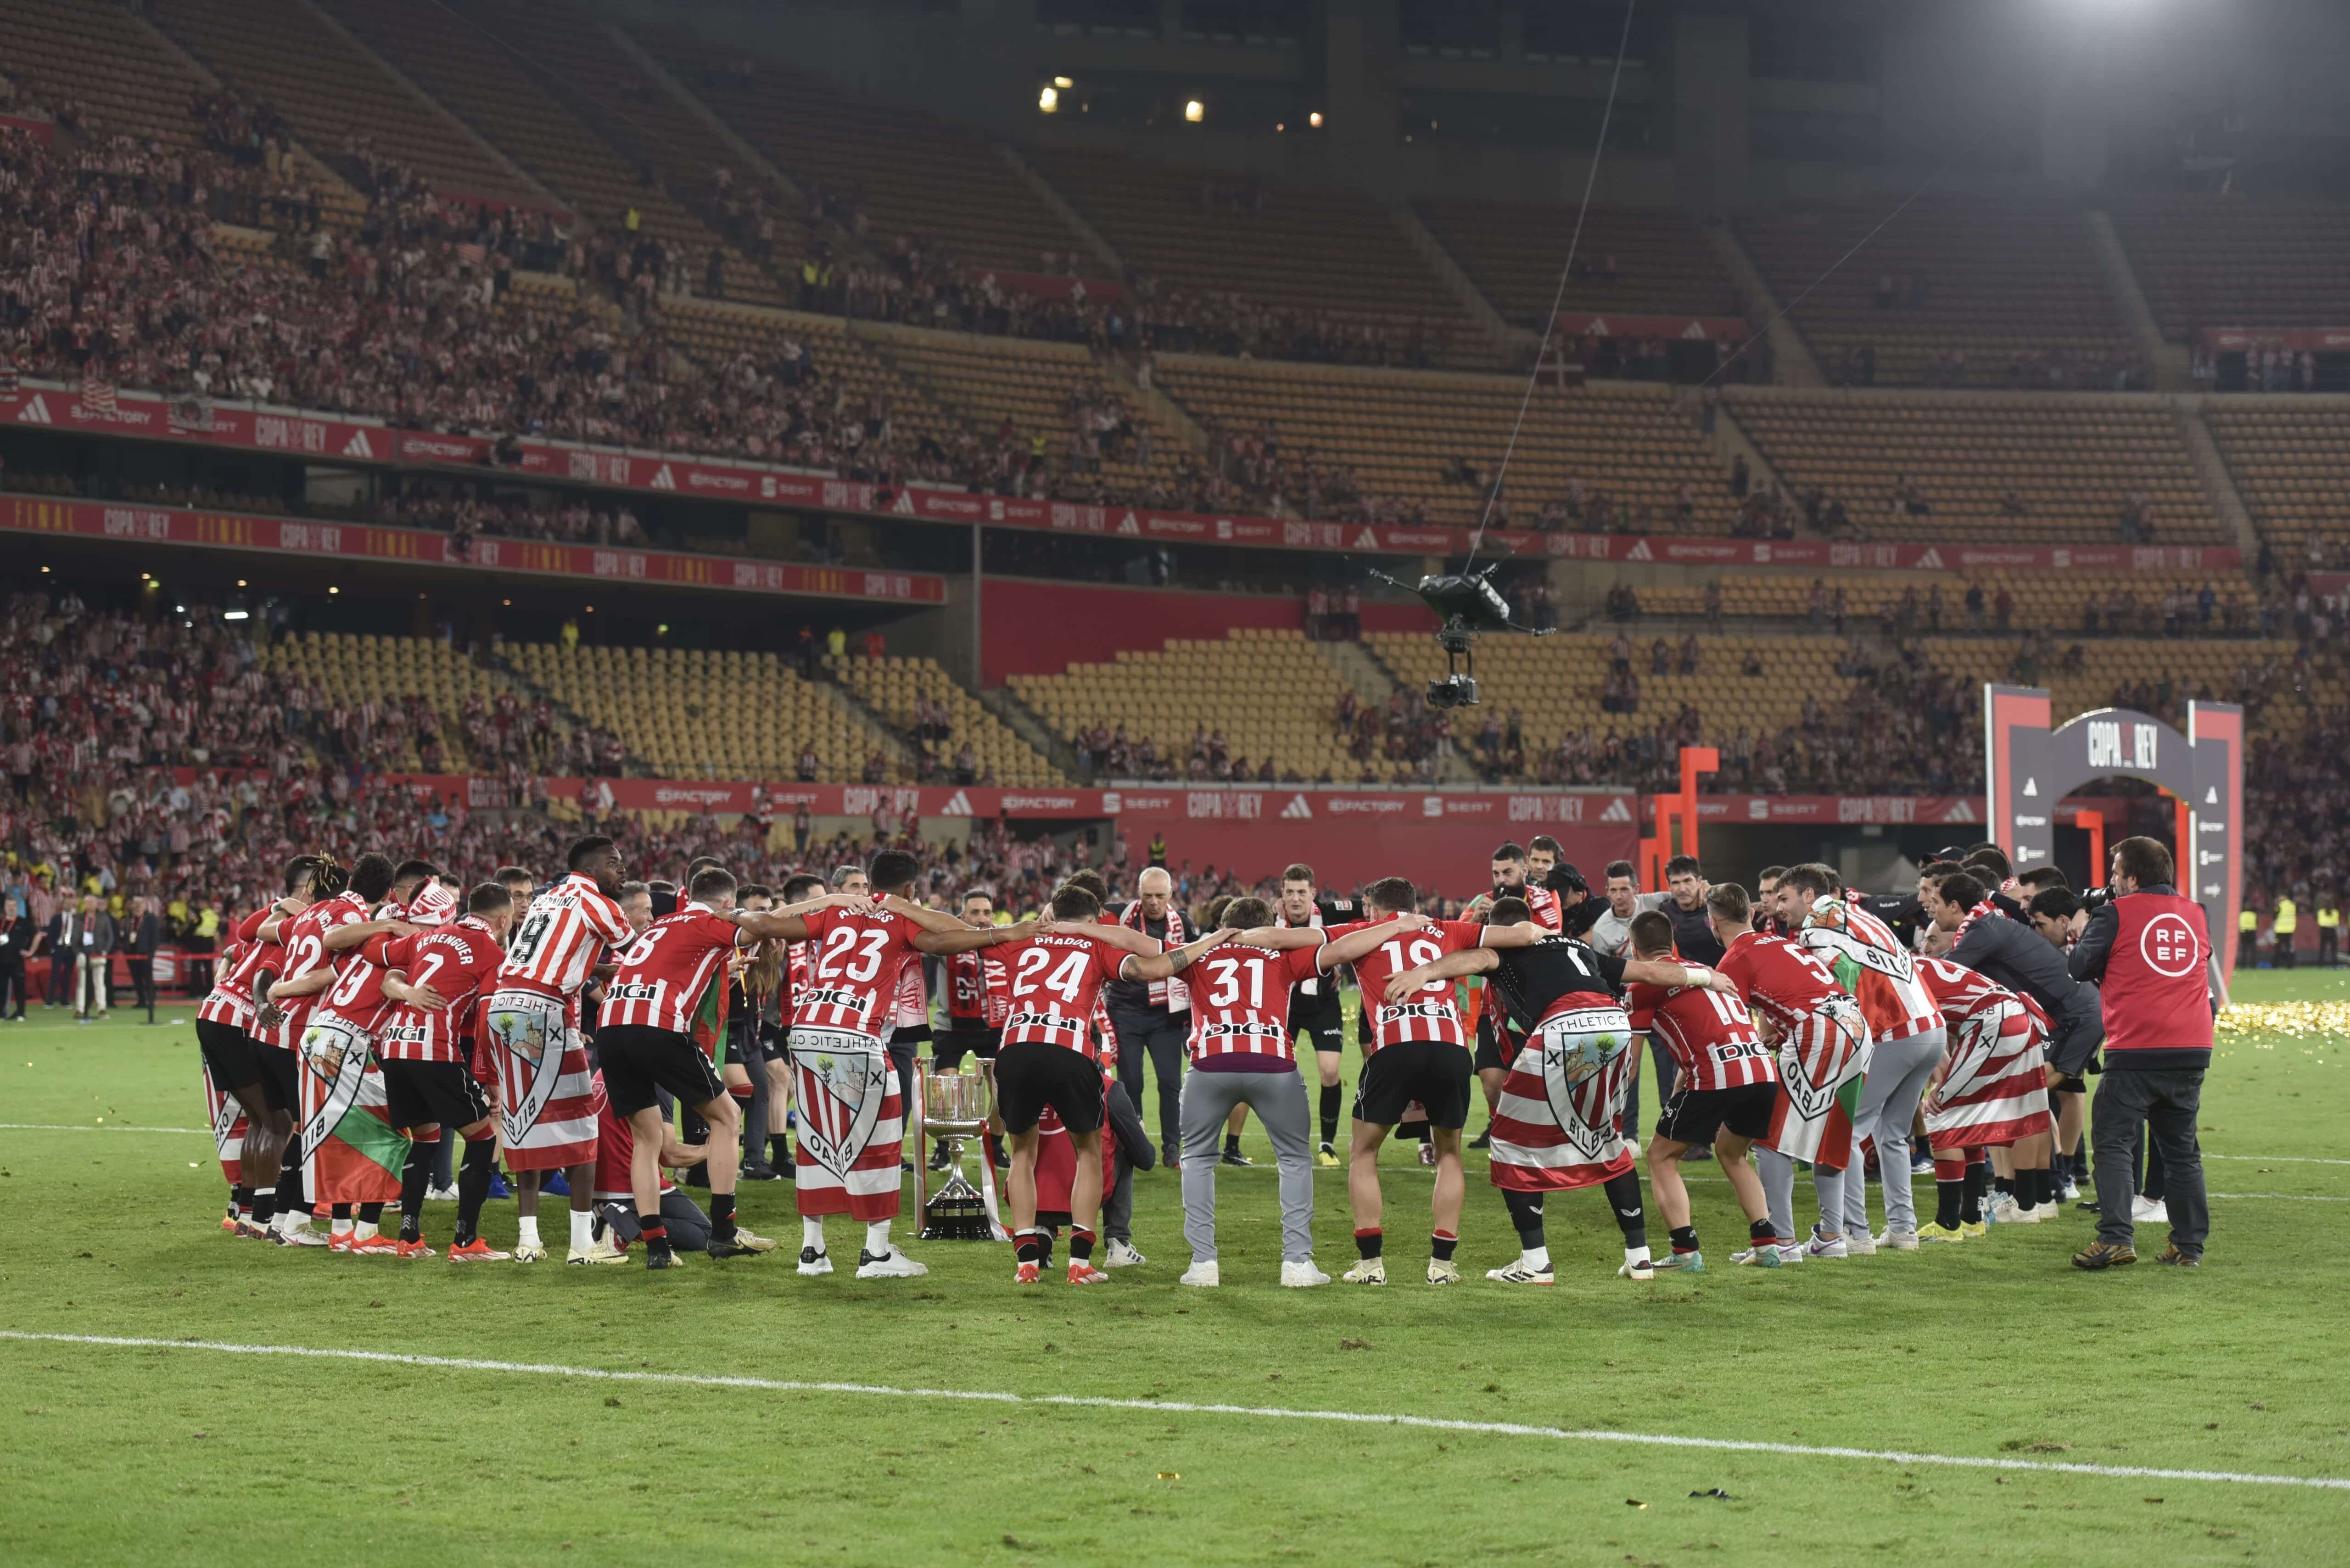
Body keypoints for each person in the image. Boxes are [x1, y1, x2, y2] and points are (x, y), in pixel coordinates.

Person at [1388, 898, 1730, 1283]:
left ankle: (1535, 1262)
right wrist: (1705, 977)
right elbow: (1649, 971)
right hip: (1612, 1025)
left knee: (1507, 1139)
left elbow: (1474, 960)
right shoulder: (1577, 946)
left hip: (1564, 1026)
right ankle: (1640, 1258)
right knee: (1608, 1139)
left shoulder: (1507, 946)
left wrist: (1425, 972)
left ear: (1498, 928)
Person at [1252, 877, 1538, 1286]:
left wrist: (1232, 936)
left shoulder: (1363, 932)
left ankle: (1371, 1265)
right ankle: (1442, 1265)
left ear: (1374, 908)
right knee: (1450, 1154)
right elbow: (1524, 933)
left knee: (1364, 1151)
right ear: (1413, 904)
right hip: (1451, 1047)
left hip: (1395, 1047)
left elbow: (1281, 936)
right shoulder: (1447, 928)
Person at [600, 868, 854, 1268]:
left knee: (646, 1140)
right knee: (728, 1115)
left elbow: (666, 968)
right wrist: (831, 901)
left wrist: (723, 970)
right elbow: (770, 924)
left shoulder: (662, 924)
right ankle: (724, 1231)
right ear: (725, 903)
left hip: (612, 1026)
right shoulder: (711, 920)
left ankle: (656, 1248)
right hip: (657, 1023)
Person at [787, 851, 1024, 1278]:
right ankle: (876, 1254)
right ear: (911, 889)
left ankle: (812, 1252)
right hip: (860, 1033)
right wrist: (909, 908)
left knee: (814, 1134)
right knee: (881, 1140)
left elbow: (766, 923)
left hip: (807, 1030)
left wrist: (820, 903)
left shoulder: (836, 912)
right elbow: (950, 935)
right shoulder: (902, 918)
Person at [993, 882, 1223, 1285]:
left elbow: (953, 940)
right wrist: (1213, 940)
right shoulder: (1097, 944)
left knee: (1022, 1154)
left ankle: (1026, 1261)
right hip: (1069, 1046)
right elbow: (1155, 957)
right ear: (1094, 917)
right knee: (1088, 1152)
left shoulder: (1022, 940)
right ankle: (1080, 1261)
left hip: (1015, 1046)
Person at [482, 837, 635, 1265]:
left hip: (504, 1005)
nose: (621, 871)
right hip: (543, 1010)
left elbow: (559, 953)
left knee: (521, 1121)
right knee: (583, 1126)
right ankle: (582, 1243)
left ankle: (528, 1239)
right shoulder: (595, 899)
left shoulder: (550, 898)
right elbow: (632, 943)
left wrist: (591, 966)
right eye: (614, 862)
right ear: (591, 867)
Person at [2065, 837, 2214, 1270]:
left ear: (2132, 877)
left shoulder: (2114, 913)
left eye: (2115, 874)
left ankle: (2115, 1238)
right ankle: (2188, 1246)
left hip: (2138, 1045)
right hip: (2191, 1045)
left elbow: (2078, 967)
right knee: (2182, 1150)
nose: (2111, 883)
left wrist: (2090, 921)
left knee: (2112, 1142)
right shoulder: (2197, 914)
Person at [1783, 864, 1946, 1252]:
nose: (1777, 907)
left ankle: (1855, 1234)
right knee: (1893, 1134)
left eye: (1784, 897)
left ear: (1809, 896)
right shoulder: (1860, 915)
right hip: (1931, 1026)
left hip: (1895, 1030)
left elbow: (1832, 980)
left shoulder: (1818, 924)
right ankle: (1904, 1230)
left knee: (1848, 1132)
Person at [1710, 883, 1872, 1264]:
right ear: (1750, 914)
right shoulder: (1782, 942)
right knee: (1830, 1135)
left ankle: (1780, 1241)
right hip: (1855, 1024)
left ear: (1713, 923)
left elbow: (1729, 1027)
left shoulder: (1733, 959)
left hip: (1819, 1032)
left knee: (1769, 1136)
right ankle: (1832, 1236)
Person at [1627, 911, 1781, 1272]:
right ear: (1674, 944)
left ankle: (1684, 1252)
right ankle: (1766, 1245)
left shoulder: (1643, 985)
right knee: (1732, 1153)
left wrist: (1608, 1107)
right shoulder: (1707, 970)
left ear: (1635, 948)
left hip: (1718, 1072)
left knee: (1661, 1156)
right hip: (1761, 1068)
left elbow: (1630, 1064)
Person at [371, 882, 515, 1259]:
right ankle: (466, 1241)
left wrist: (404, 988)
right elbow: (486, 1022)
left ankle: (410, 1237)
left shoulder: (428, 937)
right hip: (435, 1051)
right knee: (484, 1138)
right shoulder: (492, 953)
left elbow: (378, 954)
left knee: (425, 1139)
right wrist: (490, 1079)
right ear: (503, 919)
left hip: (396, 1047)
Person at [1104, 866, 1194, 1167]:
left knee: (1170, 1082)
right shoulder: (1118, 913)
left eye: (1159, 895)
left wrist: (1193, 1022)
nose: (1153, 902)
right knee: (1131, 1083)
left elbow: (1198, 966)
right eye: (1147, 895)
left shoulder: (1183, 922)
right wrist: (1053, 907)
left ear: (1171, 894)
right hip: (1125, 1014)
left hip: (1166, 1017)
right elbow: (1082, 911)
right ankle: (1134, 1144)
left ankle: (1172, 1147)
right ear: (1138, 894)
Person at [1273, 864, 1356, 1166]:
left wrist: (1345, 960)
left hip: (1324, 1005)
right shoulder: (1272, 920)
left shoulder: (1332, 912)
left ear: (1313, 893)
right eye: (1290, 892)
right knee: (1273, 1075)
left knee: (1331, 1073)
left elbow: (1373, 907)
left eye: (1302, 892)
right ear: (1282, 894)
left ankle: (1327, 1144)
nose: (1296, 899)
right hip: (1284, 1006)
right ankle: (1282, 1140)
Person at [64, 893, 115, 1023]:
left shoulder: (104, 917)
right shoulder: (79, 918)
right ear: (85, 904)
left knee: (99, 982)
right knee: (81, 982)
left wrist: (105, 951)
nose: (90, 905)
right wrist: (77, 952)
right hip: (83, 953)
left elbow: (110, 937)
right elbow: (74, 938)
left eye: (93, 902)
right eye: (88, 902)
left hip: (98, 953)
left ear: (96, 903)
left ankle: (102, 1008)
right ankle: (80, 1009)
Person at [124, 894, 161, 1020]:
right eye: (134, 904)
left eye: (139, 904)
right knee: (137, 978)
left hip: (145, 954)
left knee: (148, 978)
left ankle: (151, 1001)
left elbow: (155, 937)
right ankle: (141, 1000)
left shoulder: (150, 919)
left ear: (145, 906)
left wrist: (152, 953)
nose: (136, 907)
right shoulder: (129, 918)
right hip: (132, 953)